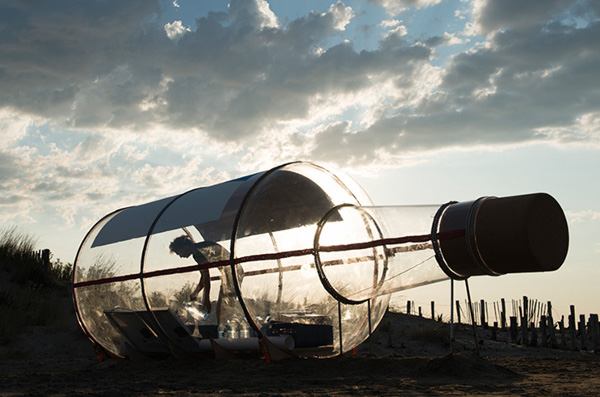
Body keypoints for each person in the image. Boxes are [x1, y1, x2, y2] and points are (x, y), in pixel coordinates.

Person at [169, 235, 242, 323]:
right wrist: (195, 292)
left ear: (184, 247)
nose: (180, 256)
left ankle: (226, 329)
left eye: (179, 253)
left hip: (233, 273)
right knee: (224, 307)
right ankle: (225, 327)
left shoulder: (199, 252)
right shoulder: (198, 251)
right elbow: (203, 276)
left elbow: (206, 277)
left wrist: (206, 298)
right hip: (232, 272)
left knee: (223, 308)